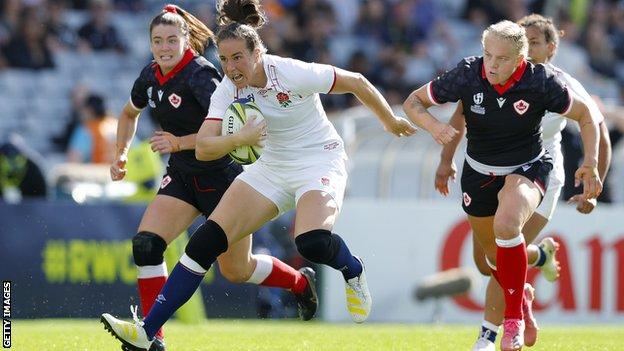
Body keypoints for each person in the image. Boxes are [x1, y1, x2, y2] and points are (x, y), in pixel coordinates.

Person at [100, 1, 416, 349]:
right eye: (224, 59)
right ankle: (148, 332)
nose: (231, 68)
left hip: (318, 160)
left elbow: (355, 81)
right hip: (270, 168)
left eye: (238, 58)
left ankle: (352, 270)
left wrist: (389, 120)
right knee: (204, 243)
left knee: (310, 241)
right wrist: (240, 139)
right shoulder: (226, 88)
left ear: (258, 52)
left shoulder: (290, 72)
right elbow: (204, 146)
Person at [100, 5, 318, 351]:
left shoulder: (202, 75)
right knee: (146, 245)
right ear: (150, 43)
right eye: (158, 41)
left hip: (225, 179)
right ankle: (151, 337)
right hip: (184, 178)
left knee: (237, 270)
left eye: (172, 39)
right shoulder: (150, 76)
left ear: (187, 40)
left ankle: (299, 283)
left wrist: (178, 142)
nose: (165, 47)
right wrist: (121, 153)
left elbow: (230, 127)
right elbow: (129, 114)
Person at [403, 20, 602, 351]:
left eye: (501, 58)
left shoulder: (544, 81)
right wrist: (434, 131)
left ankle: (501, 330)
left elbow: (588, 117)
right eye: (487, 55)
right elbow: (416, 103)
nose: (492, 65)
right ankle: (531, 271)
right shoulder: (469, 73)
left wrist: (592, 166)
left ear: (523, 57)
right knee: (490, 261)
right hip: (479, 173)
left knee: (507, 227)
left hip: (531, 169)